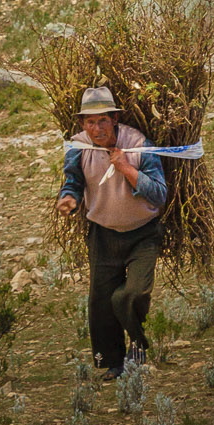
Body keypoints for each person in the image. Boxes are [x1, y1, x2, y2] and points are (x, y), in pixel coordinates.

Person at [56, 84, 168, 374]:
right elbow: (73, 181)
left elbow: (159, 193)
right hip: (103, 234)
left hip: (143, 232)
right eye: (90, 122)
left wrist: (127, 169)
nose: (97, 128)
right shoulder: (77, 146)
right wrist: (69, 198)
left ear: (115, 119)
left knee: (132, 295)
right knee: (101, 302)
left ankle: (138, 343)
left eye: (103, 120)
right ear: (82, 123)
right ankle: (114, 363)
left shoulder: (139, 144)